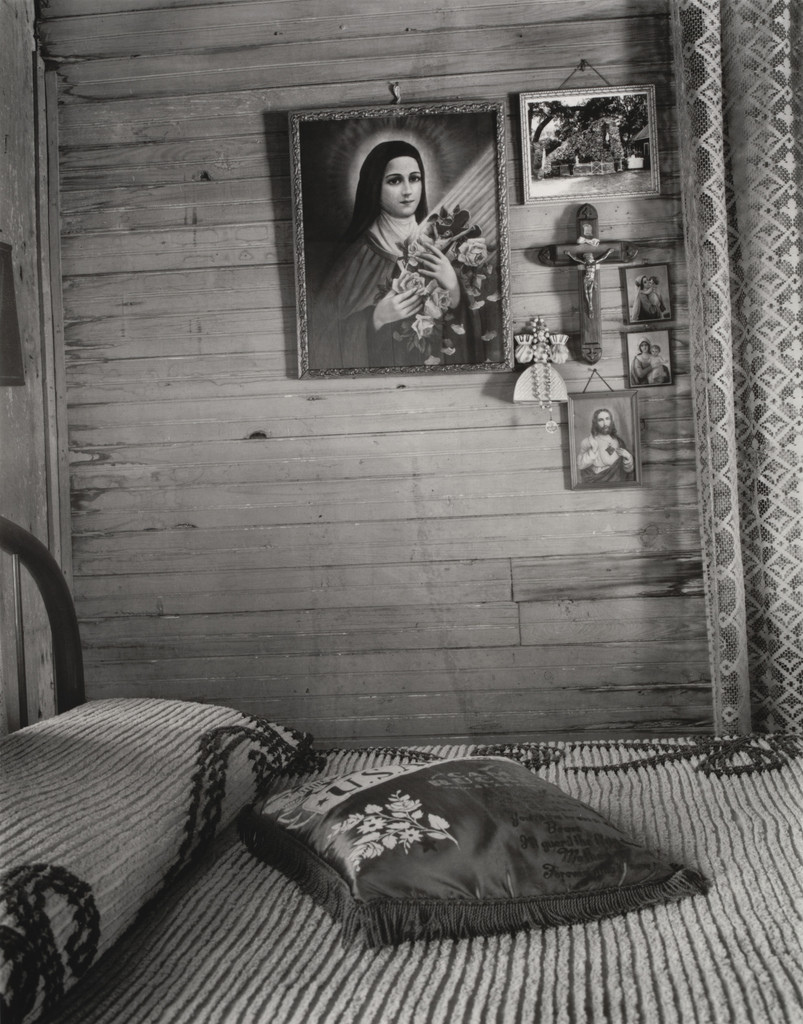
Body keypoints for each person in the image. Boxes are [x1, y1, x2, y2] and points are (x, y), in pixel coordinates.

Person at [307, 139, 491, 370]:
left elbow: (477, 335)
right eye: (395, 181)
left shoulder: (444, 245)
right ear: (374, 186)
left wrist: (454, 288)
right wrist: (375, 318)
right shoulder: (356, 257)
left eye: (414, 178)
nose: (407, 190)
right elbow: (319, 339)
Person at [576, 407, 635, 486]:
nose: (605, 423)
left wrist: (628, 458)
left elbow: (626, 471)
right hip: (597, 483)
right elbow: (580, 465)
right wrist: (593, 450)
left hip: (617, 483)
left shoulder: (619, 441)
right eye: (601, 420)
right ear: (595, 423)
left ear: (611, 421)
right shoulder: (588, 441)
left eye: (607, 419)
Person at [565, 248, 614, 318]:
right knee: (586, 293)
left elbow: (603, 258)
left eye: (589, 258)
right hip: (586, 279)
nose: (588, 259)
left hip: (591, 280)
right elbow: (576, 259)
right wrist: (569, 254)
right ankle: (590, 307)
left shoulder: (594, 262)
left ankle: (590, 306)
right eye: (587, 258)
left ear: (591, 258)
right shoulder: (586, 263)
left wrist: (609, 252)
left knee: (589, 292)